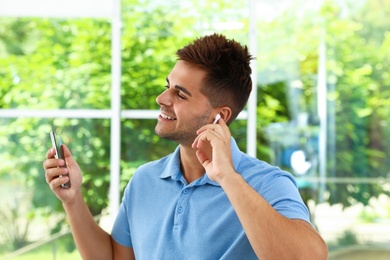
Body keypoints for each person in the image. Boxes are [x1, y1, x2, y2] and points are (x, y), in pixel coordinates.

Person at [43, 33, 328, 259]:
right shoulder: (145, 180)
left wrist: (226, 176)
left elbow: (309, 257)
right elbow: (116, 258)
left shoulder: (267, 184)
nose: (162, 98)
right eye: (168, 85)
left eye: (180, 94)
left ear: (220, 116)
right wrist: (73, 200)